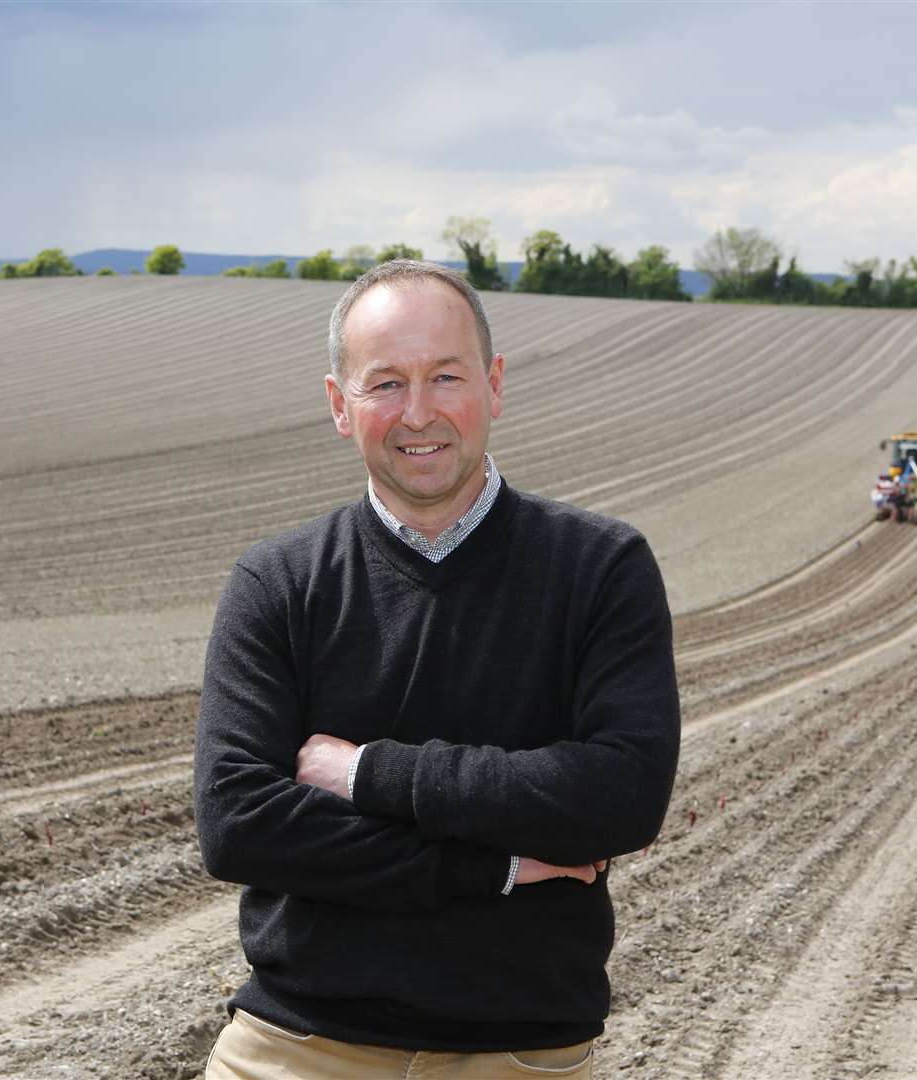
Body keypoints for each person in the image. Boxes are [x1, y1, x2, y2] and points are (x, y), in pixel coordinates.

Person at [194, 259, 680, 1079]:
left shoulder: (600, 569)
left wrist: (369, 773)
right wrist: (495, 867)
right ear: (339, 406)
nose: (418, 412)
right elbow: (239, 820)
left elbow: (621, 795)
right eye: (385, 383)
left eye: (445, 376)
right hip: (294, 1050)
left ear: (493, 384)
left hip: (518, 1057)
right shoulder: (277, 583)